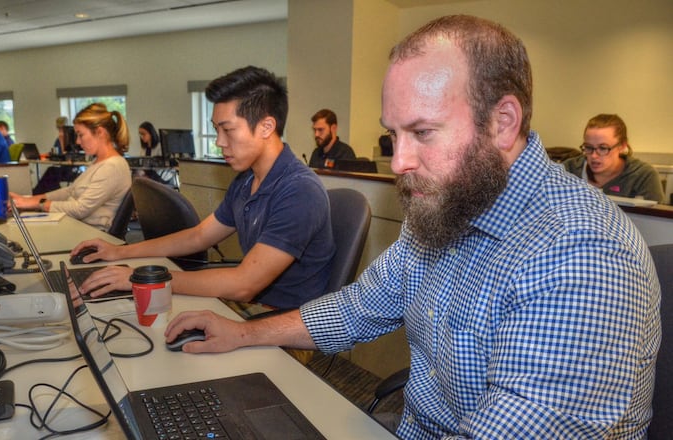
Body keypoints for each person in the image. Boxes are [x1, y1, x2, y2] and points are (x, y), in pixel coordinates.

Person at [163, 15, 661, 439]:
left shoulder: (581, 252)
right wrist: (243, 333)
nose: (399, 161)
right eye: (392, 135)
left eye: (422, 132)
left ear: (504, 121)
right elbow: (356, 309)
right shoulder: (446, 205)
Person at [72, 66, 335, 312]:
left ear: (266, 127)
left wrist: (140, 277)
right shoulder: (246, 179)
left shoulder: (299, 191)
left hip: (285, 323)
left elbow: (243, 285)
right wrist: (119, 251)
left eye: (228, 130)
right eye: (216, 129)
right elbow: (198, 236)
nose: (220, 142)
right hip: (249, 308)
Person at [10, 103, 131, 231]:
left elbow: (80, 209)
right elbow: (70, 191)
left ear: (100, 132)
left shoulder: (112, 167)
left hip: (89, 233)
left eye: (81, 135)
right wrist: (29, 199)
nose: (78, 142)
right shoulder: (99, 161)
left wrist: (36, 203)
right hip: (78, 227)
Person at [563, 113, 664, 203]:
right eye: (588, 147)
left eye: (603, 148)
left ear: (622, 146)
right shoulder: (568, 170)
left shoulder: (643, 176)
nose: (594, 156)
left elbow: (656, 221)